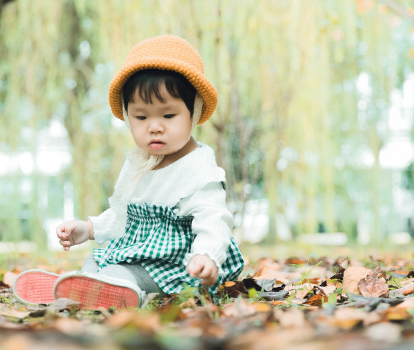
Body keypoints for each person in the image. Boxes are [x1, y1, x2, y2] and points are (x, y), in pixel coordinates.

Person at [13, 35, 244, 310]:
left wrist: (207, 256)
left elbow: (213, 217)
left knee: (120, 273)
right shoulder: (141, 161)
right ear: (127, 116)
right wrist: (89, 229)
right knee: (98, 261)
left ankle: (114, 291)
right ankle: (83, 286)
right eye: (141, 117)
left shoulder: (198, 165)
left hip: (175, 260)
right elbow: (127, 213)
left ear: (194, 111)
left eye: (168, 116)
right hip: (137, 249)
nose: (154, 127)